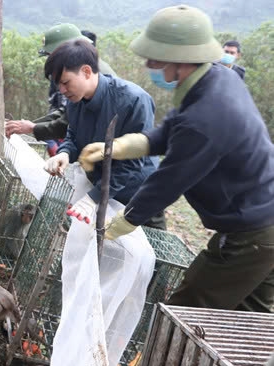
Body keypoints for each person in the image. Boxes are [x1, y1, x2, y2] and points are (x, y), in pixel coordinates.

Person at [79, 5, 274, 312]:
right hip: (262, 220)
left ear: (179, 62)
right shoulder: (218, 79)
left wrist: (123, 222)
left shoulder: (207, 116)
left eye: (155, 60)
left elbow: (169, 180)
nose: (148, 65)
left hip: (252, 232)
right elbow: (173, 129)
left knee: (186, 310)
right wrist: (124, 146)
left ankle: (156, 361)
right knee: (250, 316)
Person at [41, 39, 165, 229]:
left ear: (86, 71)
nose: (62, 91)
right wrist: (64, 153)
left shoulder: (133, 100)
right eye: (59, 85)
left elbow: (132, 164)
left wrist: (94, 198)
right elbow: (73, 136)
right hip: (102, 187)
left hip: (138, 193)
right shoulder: (75, 102)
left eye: (66, 82)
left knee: (150, 248)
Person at [6, 23, 116, 156]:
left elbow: (69, 122)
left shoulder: (90, 74)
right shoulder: (73, 73)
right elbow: (67, 111)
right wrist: (29, 126)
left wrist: (33, 128)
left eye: (51, 55)